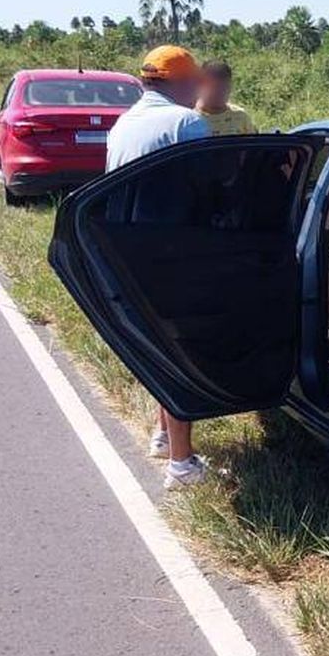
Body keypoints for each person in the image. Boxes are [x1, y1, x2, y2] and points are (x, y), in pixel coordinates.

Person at [106, 44, 212, 489]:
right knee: (178, 353)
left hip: (128, 252)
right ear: (181, 82)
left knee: (155, 345)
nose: (198, 89)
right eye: (195, 82)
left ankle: (163, 436)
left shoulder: (123, 124)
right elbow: (213, 188)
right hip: (175, 255)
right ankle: (182, 465)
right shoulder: (186, 123)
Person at [195, 59, 257, 136]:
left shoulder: (240, 117)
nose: (219, 92)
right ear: (200, 84)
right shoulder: (191, 118)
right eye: (214, 87)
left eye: (224, 87)